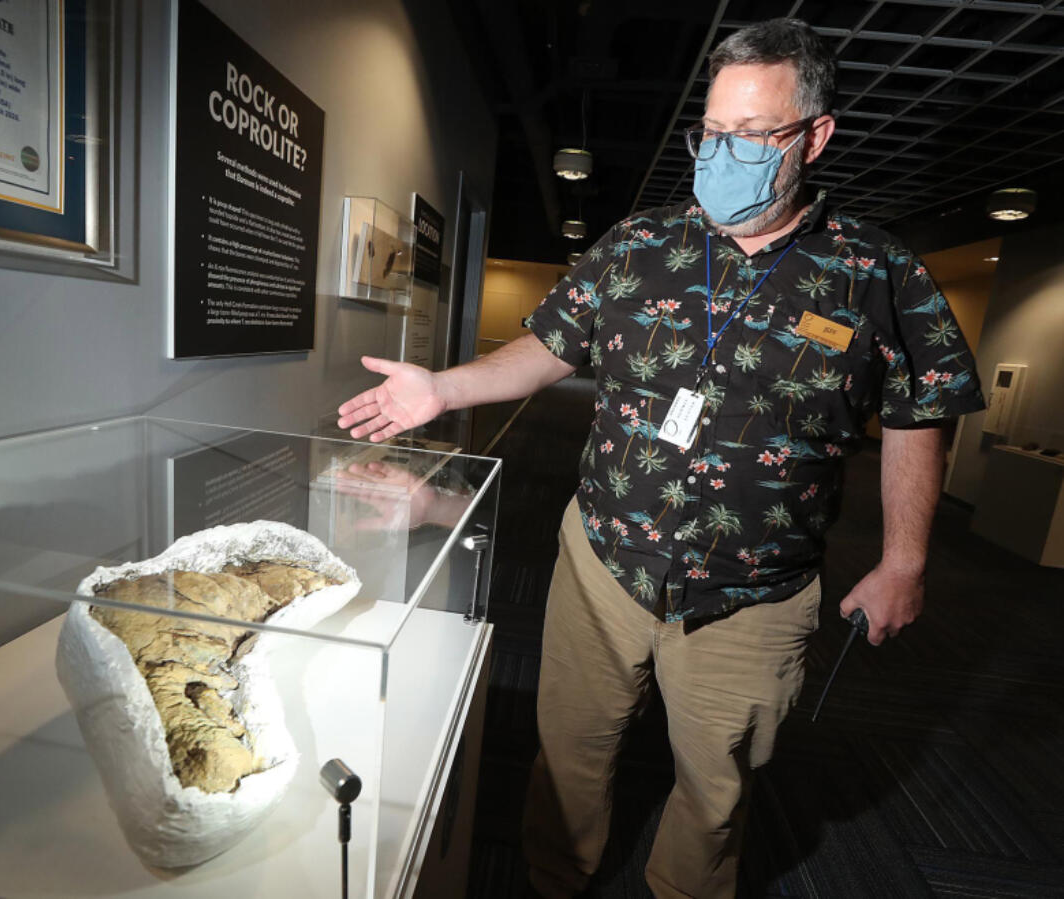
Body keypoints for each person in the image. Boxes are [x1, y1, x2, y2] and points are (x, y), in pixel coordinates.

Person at [338, 17, 984, 898]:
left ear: (816, 136)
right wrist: (444, 390)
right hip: (601, 562)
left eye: (753, 136)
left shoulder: (879, 273)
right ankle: (552, 878)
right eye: (713, 133)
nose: (724, 154)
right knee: (567, 752)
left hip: (751, 596)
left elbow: (922, 414)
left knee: (715, 790)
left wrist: (905, 558)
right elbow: (550, 345)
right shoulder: (641, 246)